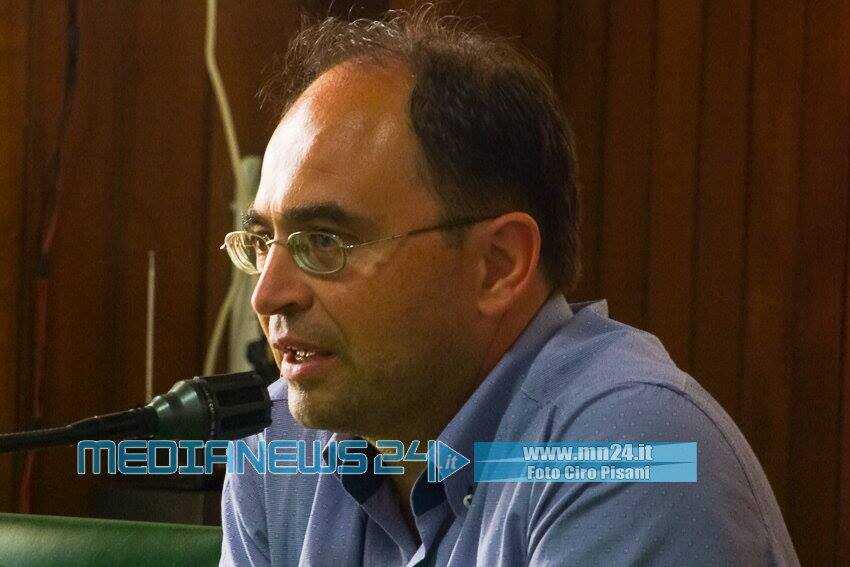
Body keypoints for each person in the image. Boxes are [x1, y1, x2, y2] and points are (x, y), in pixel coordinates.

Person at [218, 9, 799, 566]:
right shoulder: (277, 448)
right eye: (263, 241)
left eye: (324, 242)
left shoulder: (630, 446)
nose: (267, 296)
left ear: (498, 265)